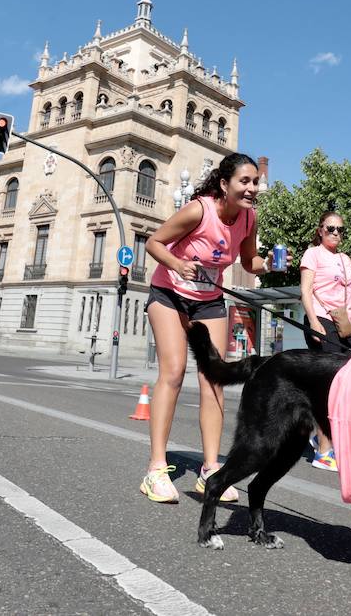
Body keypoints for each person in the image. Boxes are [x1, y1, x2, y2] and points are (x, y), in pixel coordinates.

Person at [141, 153, 276, 504]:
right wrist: (177, 263)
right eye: (244, 182)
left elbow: (249, 261)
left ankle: (211, 469)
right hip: (169, 293)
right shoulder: (198, 211)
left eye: (255, 182)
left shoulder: (249, 218)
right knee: (173, 372)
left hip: (209, 300)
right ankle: (156, 469)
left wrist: (269, 264)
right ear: (224, 184)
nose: (251, 188)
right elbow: (154, 242)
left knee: (214, 378)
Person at [299, 209, 351, 471]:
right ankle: (324, 451)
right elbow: (305, 291)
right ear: (320, 230)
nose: (336, 233)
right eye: (330, 228)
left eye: (340, 229)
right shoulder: (313, 254)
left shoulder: (345, 259)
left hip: (342, 323)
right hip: (320, 319)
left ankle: (320, 436)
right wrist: (314, 322)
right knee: (330, 384)